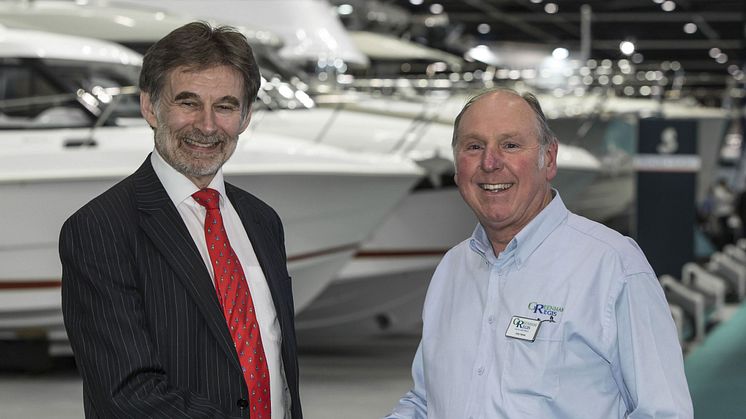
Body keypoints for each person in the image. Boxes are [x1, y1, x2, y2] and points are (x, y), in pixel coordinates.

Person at [385, 88, 692, 418]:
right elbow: (425, 401)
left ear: (550, 159)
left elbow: (664, 412)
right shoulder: (451, 269)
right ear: (458, 168)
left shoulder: (612, 266)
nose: (490, 163)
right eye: (474, 147)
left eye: (510, 145)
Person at [60, 22, 302, 418]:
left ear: (245, 116)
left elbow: (277, 372)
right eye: (188, 103)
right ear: (149, 107)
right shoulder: (99, 229)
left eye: (225, 106)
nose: (207, 126)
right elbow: (126, 395)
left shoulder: (263, 221)